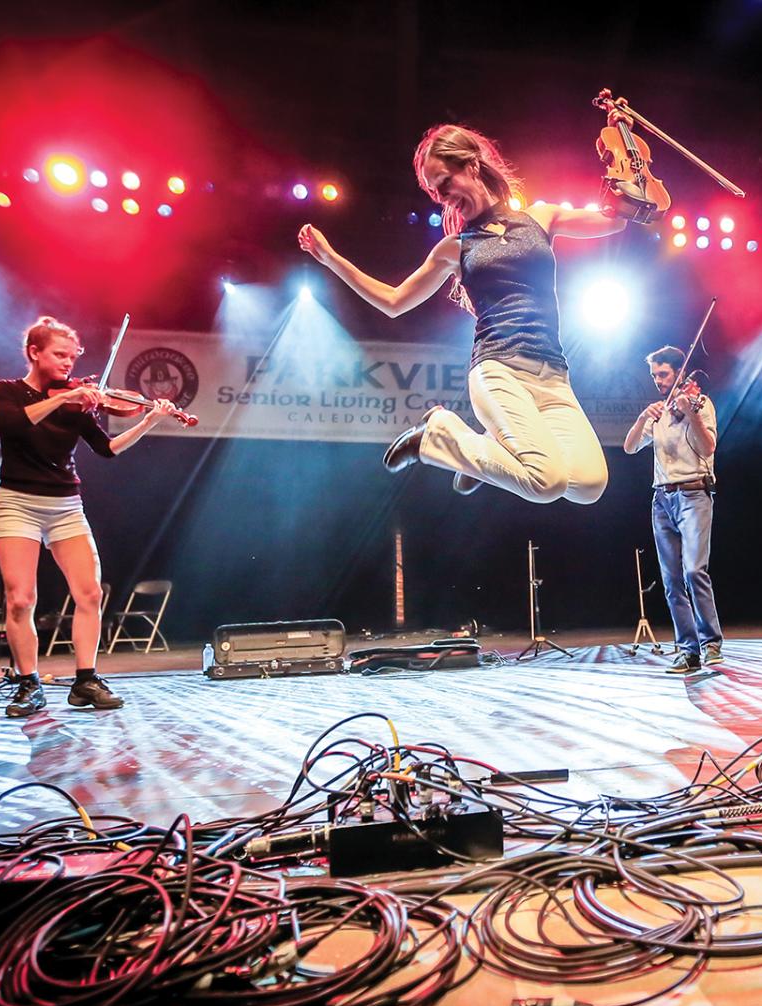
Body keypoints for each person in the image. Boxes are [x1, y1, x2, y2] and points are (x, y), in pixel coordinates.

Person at [298, 122, 628, 503]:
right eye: (435, 192)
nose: (443, 197)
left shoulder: (541, 217)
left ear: (471, 165)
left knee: (588, 486)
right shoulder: (455, 248)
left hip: (553, 376)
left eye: (445, 182)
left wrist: (628, 162)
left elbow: (618, 219)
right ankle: (439, 433)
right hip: (499, 369)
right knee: (546, 483)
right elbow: (394, 302)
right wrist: (331, 259)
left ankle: (484, 455)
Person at [0, 316, 175, 717]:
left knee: (89, 593)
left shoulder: (78, 404)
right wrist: (62, 399)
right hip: (17, 501)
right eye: (59, 355)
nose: (67, 365)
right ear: (34, 352)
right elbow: (16, 426)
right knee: (21, 599)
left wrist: (149, 419)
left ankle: (85, 680)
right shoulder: (7, 391)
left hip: (64, 504)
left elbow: (108, 449)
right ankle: (28, 684)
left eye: (72, 357)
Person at [623, 348, 723, 674]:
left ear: (680, 372)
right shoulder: (660, 412)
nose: (658, 381)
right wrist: (642, 418)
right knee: (672, 580)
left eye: (663, 374)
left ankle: (711, 643)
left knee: (695, 570)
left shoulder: (700, 403)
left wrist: (689, 414)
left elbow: (708, 447)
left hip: (694, 494)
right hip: (662, 501)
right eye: (654, 375)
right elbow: (629, 446)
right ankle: (688, 650)